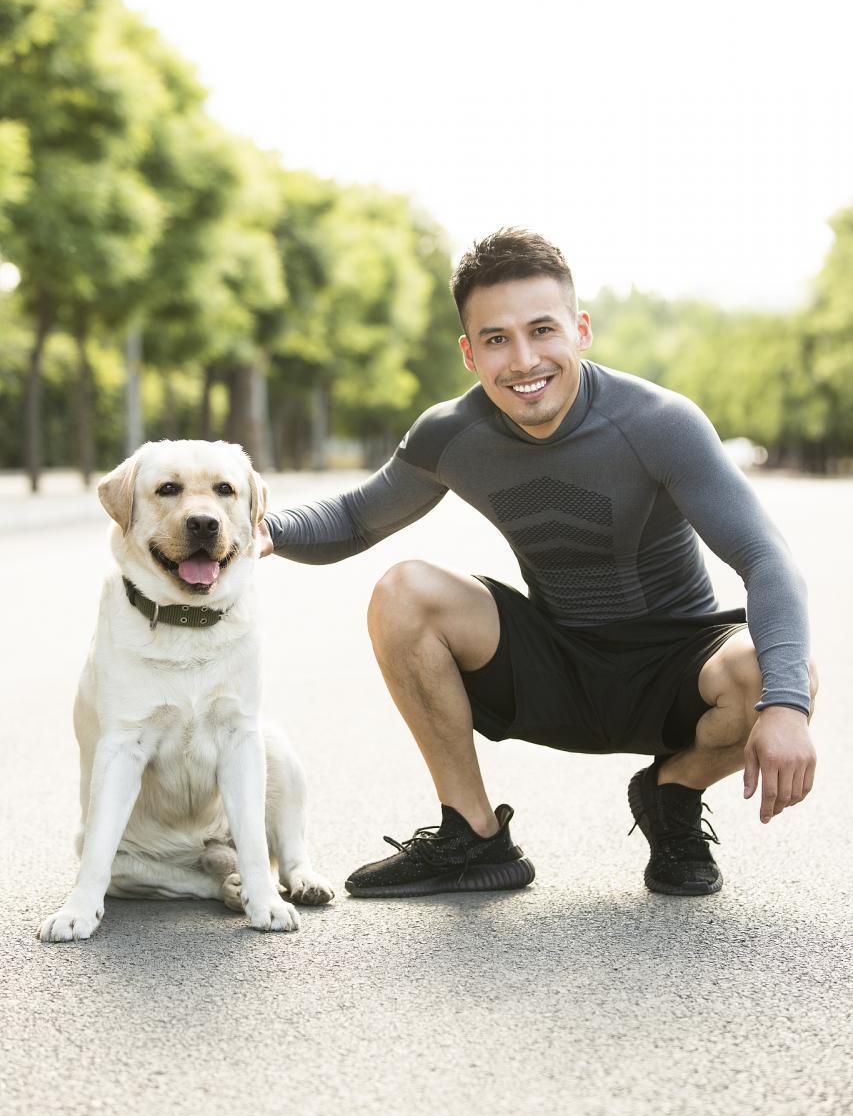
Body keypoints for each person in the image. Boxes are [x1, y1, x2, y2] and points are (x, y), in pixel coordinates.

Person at [257, 228, 818, 900]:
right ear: (469, 353)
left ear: (579, 330)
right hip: (555, 661)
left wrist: (783, 707)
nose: (522, 360)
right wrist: (259, 529)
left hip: (674, 668)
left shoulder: (658, 422)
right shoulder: (450, 434)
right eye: (495, 339)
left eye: (541, 330)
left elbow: (765, 559)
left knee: (781, 669)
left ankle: (672, 794)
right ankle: (472, 835)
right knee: (402, 592)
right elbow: (354, 518)